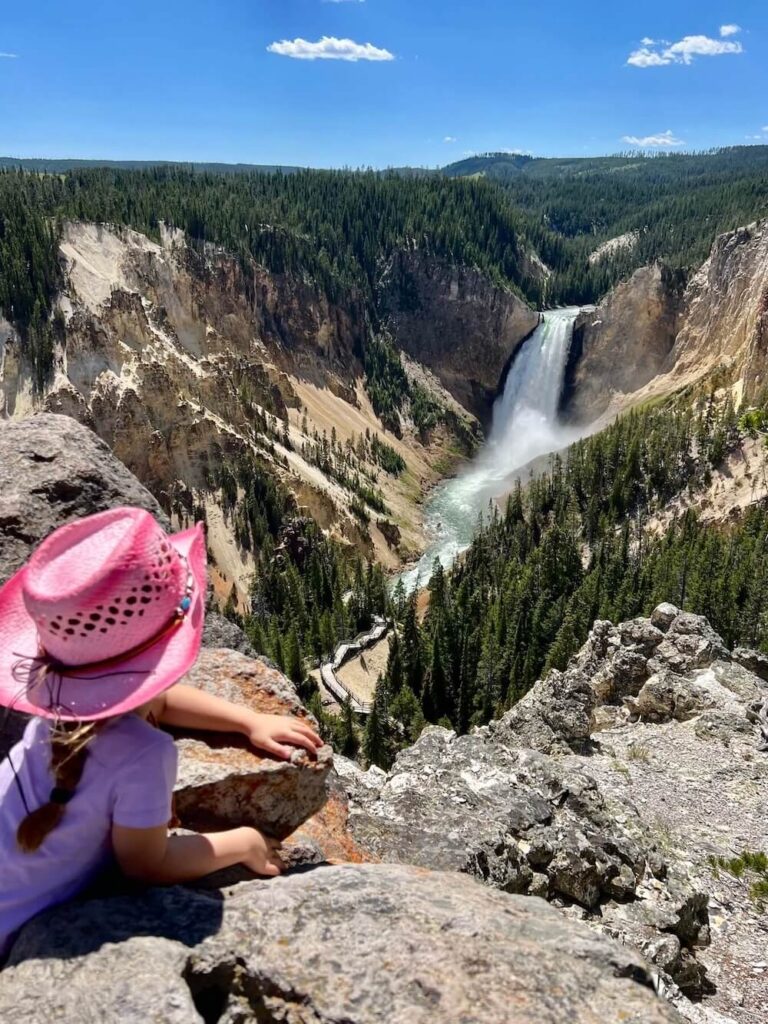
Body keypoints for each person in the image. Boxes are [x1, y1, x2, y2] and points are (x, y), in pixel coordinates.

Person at [0, 507, 322, 962]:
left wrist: (246, 720)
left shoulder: (55, 715)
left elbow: (162, 703)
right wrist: (244, 842)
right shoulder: (144, 755)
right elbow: (146, 865)